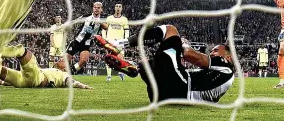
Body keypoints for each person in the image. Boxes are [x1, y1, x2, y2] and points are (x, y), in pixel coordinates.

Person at [95, 24, 235, 103]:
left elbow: (189, 55)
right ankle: (135, 67)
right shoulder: (221, 76)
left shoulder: (226, 67)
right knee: (148, 63)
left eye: (216, 51)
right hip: (167, 95)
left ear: (229, 57)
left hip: (181, 88)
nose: (212, 53)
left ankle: (119, 44)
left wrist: (184, 44)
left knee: (170, 30)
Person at [0, 45, 92, 89]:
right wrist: (2, 82)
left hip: (37, 79)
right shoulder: (52, 70)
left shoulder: (63, 74)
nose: (61, 60)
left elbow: (70, 81)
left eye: (63, 61)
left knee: (21, 49)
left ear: (64, 68)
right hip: (23, 82)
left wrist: (81, 85)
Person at [60, 2, 108, 74]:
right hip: (77, 41)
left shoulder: (102, 20)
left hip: (87, 44)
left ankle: (71, 71)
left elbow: (106, 27)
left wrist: (99, 21)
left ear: (101, 9)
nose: (96, 9)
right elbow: (75, 21)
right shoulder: (86, 17)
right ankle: (55, 71)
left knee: (84, 61)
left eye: (98, 8)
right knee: (64, 60)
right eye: (95, 7)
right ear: (93, 8)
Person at [102, 3, 129, 81]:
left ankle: (120, 72)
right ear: (114, 8)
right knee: (108, 58)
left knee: (120, 58)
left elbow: (126, 31)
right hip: (110, 41)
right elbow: (104, 29)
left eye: (119, 7)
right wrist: (105, 38)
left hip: (120, 41)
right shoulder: (109, 18)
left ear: (122, 8)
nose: (118, 8)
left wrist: (126, 40)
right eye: (116, 6)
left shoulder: (124, 19)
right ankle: (109, 76)